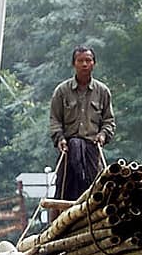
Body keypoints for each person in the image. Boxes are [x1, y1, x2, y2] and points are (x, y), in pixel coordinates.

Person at [49, 46, 115, 200]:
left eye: (88, 60)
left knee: (98, 190)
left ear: (94, 64)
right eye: (80, 61)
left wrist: (103, 135)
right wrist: (60, 138)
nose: (84, 64)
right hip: (68, 149)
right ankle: (56, 220)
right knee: (61, 190)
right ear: (74, 64)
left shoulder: (102, 91)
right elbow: (55, 120)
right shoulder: (62, 91)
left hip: (92, 148)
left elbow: (109, 121)